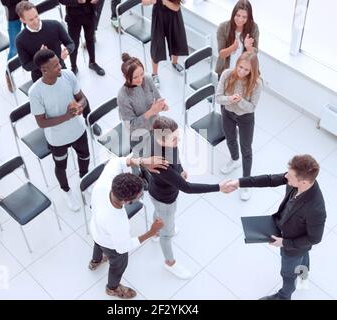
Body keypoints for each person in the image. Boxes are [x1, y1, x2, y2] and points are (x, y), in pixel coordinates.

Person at [226, 154, 326, 300]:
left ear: (303, 182)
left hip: (292, 244)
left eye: (290, 176)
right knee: (304, 254)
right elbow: (269, 179)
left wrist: (284, 243)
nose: (286, 177)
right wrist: (239, 183)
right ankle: (304, 274)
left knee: (288, 273)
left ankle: (284, 296)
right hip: (292, 233)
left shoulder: (316, 208)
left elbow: (315, 238)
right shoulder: (297, 180)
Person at [146, 116, 236, 279]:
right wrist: (218, 187)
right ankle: (170, 263)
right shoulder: (160, 163)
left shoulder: (161, 140)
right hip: (164, 198)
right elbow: (187, 188)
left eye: (177, 136)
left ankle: (155, 232)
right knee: (168, 233)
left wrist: (179, 169)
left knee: (159, 213)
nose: (177, 140)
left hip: (158, 192)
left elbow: (175, 154)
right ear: (160, 139)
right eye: (174, 139)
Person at [89, 155, 168, 299]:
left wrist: (142, 161)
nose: (140, 197)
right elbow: (123, 248)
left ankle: (96, 261)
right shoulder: (117, 221)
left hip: (96, 229)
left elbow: (117, 161)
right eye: (139, 196)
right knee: (118, 264)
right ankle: (112, 288)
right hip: (110, 244)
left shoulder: (105, 183)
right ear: (126, 201)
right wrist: (152, 232)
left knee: (98, 244)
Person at [29, 49, 90, 211]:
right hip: (57, 139)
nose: (60, 66)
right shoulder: (35, 92)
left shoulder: (68, 75)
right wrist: (67, 116)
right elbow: (41, 123)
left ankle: (85, 182)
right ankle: (66, 190)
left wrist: (80, 106)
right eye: (55, 65)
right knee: (61, 165)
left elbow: (82, 99)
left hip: (78, 130)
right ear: (44, 70)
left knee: (85, 157)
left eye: (59, 62)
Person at [215, 52, 262, 201]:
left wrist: (240, 101)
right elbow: (218, 98)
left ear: (252, 71)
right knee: (230, 139)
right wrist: (230, 99)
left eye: (246, 70)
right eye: (240, 67)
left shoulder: (256, 83)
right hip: (228, 113)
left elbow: (252, 107)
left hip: (246, 118)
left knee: (246, 149)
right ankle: (235, 160)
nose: (242, 72)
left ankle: (246, 183)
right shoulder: (227, 74)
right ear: (236, 64)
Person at [117, 53, 168, 156]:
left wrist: (162, 106)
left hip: (155, 126)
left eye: (141, 74)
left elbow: (158, 98)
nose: (140, 79)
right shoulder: (123, 96)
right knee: (154, 165)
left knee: (169, 154)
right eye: (135, 77)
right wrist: (151, 112)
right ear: (125, 77)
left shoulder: (147, 79)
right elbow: (131, 126)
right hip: (139, 136)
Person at [15, 1, 75, 82]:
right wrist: (40, 59)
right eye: (31, 19)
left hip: (60, 70)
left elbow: (70, 43)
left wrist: (67, 51)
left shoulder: (55, 25)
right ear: (22, 20)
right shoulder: (20, 40)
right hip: (40, 78)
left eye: (36, 16)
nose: (36, 21)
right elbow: (26, 66)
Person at [143, 0, 189, 88]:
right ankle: (154, 74)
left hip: (174, 15)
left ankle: (174, 63)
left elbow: (176, 8)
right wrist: (151, 1)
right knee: (157, 44)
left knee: (177, 39)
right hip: (158, 15)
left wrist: (164, 1)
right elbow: (144, 2)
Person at [59, 0, 105, 76]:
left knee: (90, 39)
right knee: (74, 43)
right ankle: (73, 67)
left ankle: (92, 62)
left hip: (90, 13)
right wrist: (76, 1)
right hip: (73, 16)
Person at [216, 0, 259, 79]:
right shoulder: (223, 27)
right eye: (238, 15)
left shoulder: (253, 28)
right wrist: (232, 48)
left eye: (244, 17)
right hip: (226, 72)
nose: (240, 20)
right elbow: (221, 54)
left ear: (249, 17)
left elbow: (254, 55)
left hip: (245, 73)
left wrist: (248, 47)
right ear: (233, 14)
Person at [1, 0, 23, 92]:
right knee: (14, 49)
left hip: (27, 10)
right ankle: (8, 74)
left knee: (36, 39)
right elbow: (5, 2)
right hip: (13, 14)